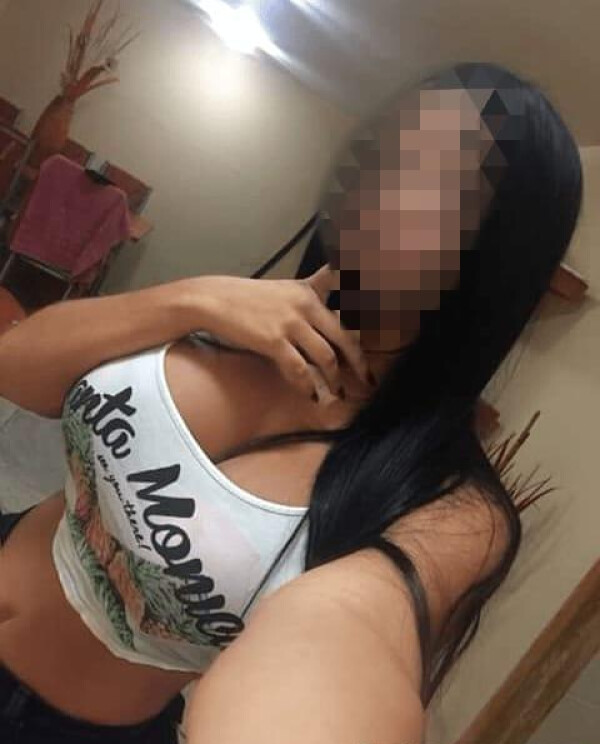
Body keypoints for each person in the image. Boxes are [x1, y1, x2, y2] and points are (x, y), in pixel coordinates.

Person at [0, 61, 582, 744]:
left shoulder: (451, 503)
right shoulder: (225, 319)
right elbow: (16, 368)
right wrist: (190, 298)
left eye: (437, 186)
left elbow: (352, 639)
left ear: (495, 253)